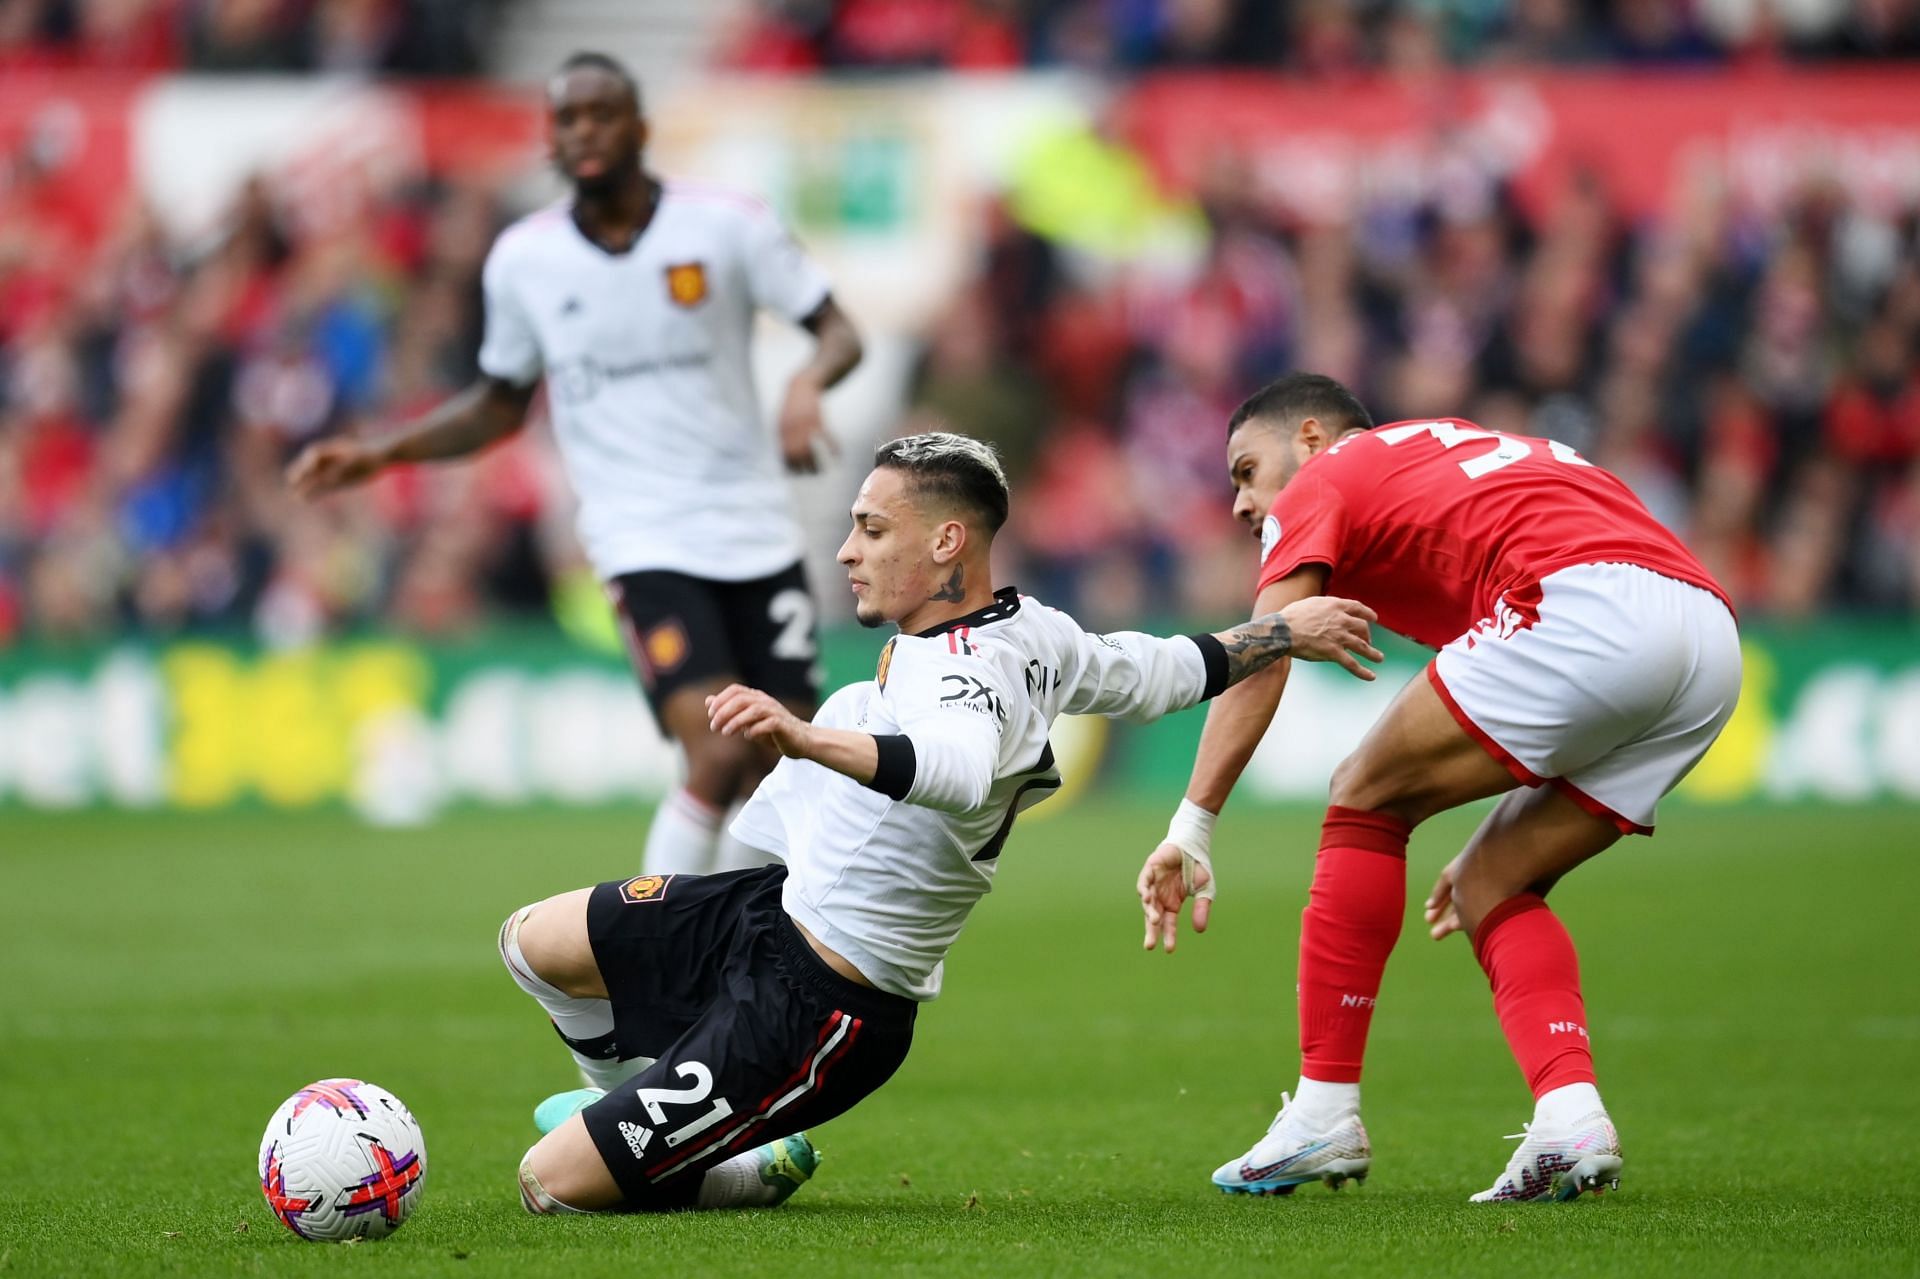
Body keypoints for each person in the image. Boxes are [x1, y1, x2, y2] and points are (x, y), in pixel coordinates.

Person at [495, 432, 1384, 1213]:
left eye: (873, 530)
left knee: (551, 1182)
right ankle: (642, 1108)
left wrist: (805, 735)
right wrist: (1280, 632)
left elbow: (956, 770)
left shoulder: (971, 673)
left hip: (821, 1006)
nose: (847, 550)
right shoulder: (1033, 631)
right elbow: (1156, 670)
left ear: (948, 540)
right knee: (535, 943)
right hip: (771, 914)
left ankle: (737, 1162)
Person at [1136, 373, 1741, 1203]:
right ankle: (1571, 1117)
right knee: (1497, 879)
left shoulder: (1328, 475)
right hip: (1705, 632)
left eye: (1245, 469)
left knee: (1365, 798)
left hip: (1581, 599)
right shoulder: (1441, 454)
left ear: (1310, 439)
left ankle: (1322, 1112)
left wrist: (1192, 824)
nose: (1242, 502)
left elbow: (1261, 651)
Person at [287, 51, 864, 877]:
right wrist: (382, 451)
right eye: (567, 119)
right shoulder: (525, 260)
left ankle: (745, 944)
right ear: (551, 140)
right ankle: (661, 941)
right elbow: (497, 404)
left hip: (753, 526)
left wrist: (807, 383)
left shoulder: (726, 226)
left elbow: (839, 330)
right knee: (712, 749)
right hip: (640, 536)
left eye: (601, 115)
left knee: (781, 762)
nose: (584, 132)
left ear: (640, 129)